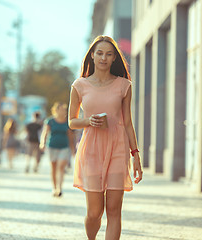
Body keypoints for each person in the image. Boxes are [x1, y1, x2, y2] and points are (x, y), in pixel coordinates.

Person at [68, 35, 143, 240]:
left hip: (118, 149)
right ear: (92, 55)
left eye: (109, 54)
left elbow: (128, 123)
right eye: (100, 53)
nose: (104, 57)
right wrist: (88, 121)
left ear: (114, 59)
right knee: (94, 213)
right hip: (91, 150)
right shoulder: (79, 85)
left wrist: (135, 155)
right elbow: (71, 121)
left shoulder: (123, 85)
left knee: (113, 210)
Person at [40, 102, 75, 197]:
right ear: (56, 110)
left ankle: (59, 188)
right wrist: (42, 143)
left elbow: (71, 136)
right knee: (54, 168)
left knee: (61, 167)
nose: (63, 111)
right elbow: (45, 133)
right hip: (52, 147)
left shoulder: (67, 122)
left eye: (64, 110)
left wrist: (73, 149)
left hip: (64, 147)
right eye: (61, 109)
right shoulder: (50, 121)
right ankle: (54, 188)